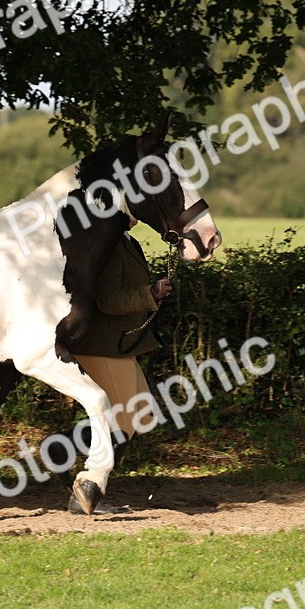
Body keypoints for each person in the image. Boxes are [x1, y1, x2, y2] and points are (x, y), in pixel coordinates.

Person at [48, 217, 173, 514]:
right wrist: (149, 294)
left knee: (142, 417)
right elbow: (106, 298)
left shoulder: (127, 241)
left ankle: (60, 448)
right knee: (124, 423)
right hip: (103, 345)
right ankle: (88, 490)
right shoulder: (110, 244)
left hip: (120, 344)